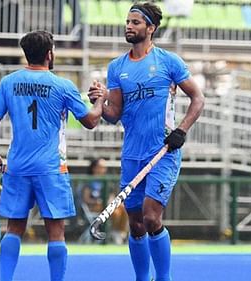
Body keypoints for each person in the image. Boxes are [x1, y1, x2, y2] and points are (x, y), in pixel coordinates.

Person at [88, 3, 205, 280]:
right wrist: (100, 100)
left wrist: (182, 130)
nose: (129, 26)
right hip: (132, 154)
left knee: (152, 217)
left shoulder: (168, 62)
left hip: (163, 151)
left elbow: (198, 99)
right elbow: (114, 115)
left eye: (136, 22)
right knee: (136, 223)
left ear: (150, 28)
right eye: (128, 21)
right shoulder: (117, 67)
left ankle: (163, 277)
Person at [0, 30, 104, 281]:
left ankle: (5, 279)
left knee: (14, 228)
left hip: (17, 166)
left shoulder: (8, 82)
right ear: (50, 54)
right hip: (51, 168)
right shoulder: (62, 85)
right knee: (55, 231)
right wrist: (100, 101)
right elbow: (91, 122)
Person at [79, 158, 128, 244]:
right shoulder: (89, 181)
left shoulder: (107, 181)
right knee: (116, 212)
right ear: (94, 168)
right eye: (100, 167)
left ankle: (119, 232)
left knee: (123, 208)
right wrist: (98, 202)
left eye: (104, 167)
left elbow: (112, 195)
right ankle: (114, 232)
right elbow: (86, 199)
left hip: (107, 206)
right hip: (94, 207)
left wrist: (109, 201)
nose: (103, 170)